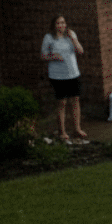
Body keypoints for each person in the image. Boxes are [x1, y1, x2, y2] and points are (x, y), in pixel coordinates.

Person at [40, 14, 86, 143]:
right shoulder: (49, 38)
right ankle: (62, 132)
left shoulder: (71, 35)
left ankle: (77, 128)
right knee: (62, 103)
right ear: (54, 26)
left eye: (63, 22)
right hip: (58, 76)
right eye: (58, 23)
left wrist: (73, 39)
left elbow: (80, 51)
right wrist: (53, 57)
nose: (61, 25)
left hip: (73, 74)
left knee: (75, 101)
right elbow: (43, 56)